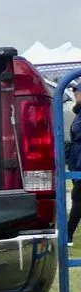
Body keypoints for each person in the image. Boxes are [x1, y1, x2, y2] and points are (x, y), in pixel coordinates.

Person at [68, 90, 81, 242]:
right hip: (76, 163)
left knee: (78, 198)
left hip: (79, 164)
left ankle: (68, 235)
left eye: (78, 92)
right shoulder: (78, 113)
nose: (76, 95)